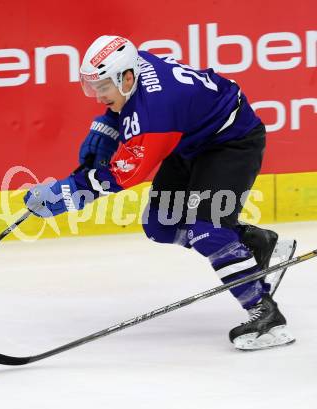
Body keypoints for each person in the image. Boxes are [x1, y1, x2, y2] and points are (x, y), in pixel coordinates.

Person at [24, 35, 296, 350]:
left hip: (230, 143)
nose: (98, 97)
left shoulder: (155, 116)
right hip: (191, 141)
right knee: (161, 225)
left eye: (102, 88)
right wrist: (105, 131)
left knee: (207, 230)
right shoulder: (136, 67)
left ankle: (266, 316)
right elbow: (122, 111)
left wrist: (64, 195)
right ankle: (258, 243)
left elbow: (119, 177)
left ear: (126, 78)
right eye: (93, 88)